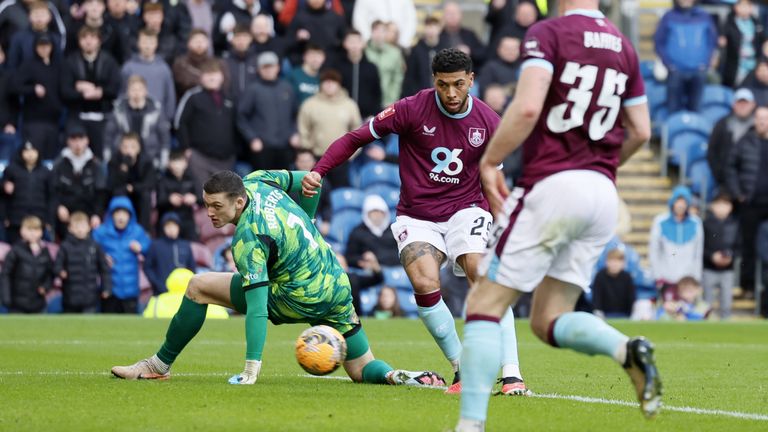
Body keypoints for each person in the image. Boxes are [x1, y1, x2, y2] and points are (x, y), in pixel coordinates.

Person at [453, 2, 659, 430]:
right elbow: (641, 130)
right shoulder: (625, 45)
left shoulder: (549, 33)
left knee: (483, 305)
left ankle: (469, 426)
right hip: (602, 193)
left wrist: (489, 162)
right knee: (548, 320)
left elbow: (527, 109)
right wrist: (599, 169)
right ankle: (627, 350)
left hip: (552, 183)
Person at [302, 48, 529, 396]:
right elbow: (356, 137)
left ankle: (512, 375)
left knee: (480, 273)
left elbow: (492, 182)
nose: (451, 94)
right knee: (423, 282)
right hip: (417, 214)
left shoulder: (488, 122)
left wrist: (504, 227)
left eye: (457, 84)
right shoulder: (410, 109)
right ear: (433, 82)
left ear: (471, 80)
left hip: (466, 208)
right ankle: (461, 369)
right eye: (442, 85)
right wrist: (319, 171)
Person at [111, 169, 446, 387]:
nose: (209, 213)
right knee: (361, 368)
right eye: (206, 205)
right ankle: (400, 376)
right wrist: (307, 221)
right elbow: (312, 181)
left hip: (295, 296)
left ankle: (157, 365)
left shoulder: (247, 238)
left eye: (215, 206)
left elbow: (256, 308)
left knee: (199, 287)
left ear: (238, 201)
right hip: (334, 282)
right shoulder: (259, 179)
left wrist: (251, 368)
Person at [725, 105, 768, 300]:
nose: (761, 122)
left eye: (765, 118)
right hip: (750, 203)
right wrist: (737, 193)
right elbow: (730, 167)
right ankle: (748, 285)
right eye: (759, 118)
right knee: (748, 245)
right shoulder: (745, 141)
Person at [61, 25, 121, 160]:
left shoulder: (109, 61)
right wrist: (82, 93)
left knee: (101, 157)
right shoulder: (71, 61)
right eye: (84, 38)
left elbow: (114, 89)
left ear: (99, 41)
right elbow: (65, 91)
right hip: (77, 117)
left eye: (93, 38)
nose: (88, 41)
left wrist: (98, 91)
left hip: (102, 117)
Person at [174, 60, 239, 187]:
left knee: (223, 199)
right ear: (201, 77)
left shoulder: (230, 97)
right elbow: (180, 123)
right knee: (204, 197)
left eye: (214, 73)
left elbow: (237, 124)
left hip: (226, 159)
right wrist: (186, 148)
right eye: (207, 74)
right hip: (199, 157)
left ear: (221, 76)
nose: (211, 77)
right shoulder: (193, 96)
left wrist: (234, 149)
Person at [236, 50, 299, 171]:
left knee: (283, 184)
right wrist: (252, 138)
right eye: (265, 67)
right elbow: (241, 117)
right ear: (259, 69)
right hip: (262, 148)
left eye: (271, 66)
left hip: (285, 147)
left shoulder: (287, 88)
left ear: (278, 67)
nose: (268, 70)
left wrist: (294, 133)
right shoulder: (252, 89)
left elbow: (295, 114)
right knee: (262, 185)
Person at [297, 68, 360, 188]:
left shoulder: (349, 105)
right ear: (321, 85)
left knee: (340, 192)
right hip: (317, 158)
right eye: (326, 82)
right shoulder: (310, 104)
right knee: (317, 192)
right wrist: (308, 150)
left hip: (341, 159)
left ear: (339, 85)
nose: (329, 85)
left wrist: (352, 154)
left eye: (333, 82)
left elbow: (358, 130)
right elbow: (303, 129)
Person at [654, 0, 718, 113]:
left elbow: (712, 41)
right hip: (676, 72)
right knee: (673, 110)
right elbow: (659, 42)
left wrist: (706, 63)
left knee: (696, 110)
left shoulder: (704, 16)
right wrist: (669, 64)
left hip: (699, 71)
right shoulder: (669, 17)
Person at [93, 195, 151, 313]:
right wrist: (102, 257)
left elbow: (149, 248)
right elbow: (89, 249)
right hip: (109, 291)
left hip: (131, 291)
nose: (121, 217)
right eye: (117, 213)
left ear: (130, 215)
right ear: (111, 215)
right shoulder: (101, 232)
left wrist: (141, 248)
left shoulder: (137, 231)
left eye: (124, 213)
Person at [9, 33, 62, 161]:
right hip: (33, 121)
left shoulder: (58, 66)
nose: (44, 49)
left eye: (47, 46)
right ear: (35, 47)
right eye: (41, 46)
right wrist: (32, 89)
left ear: (52, 47)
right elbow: (13, 86)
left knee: (51, 160)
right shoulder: (29, 65)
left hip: (54, 122)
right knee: (33, 157)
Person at [648, 185, 704, 301]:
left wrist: (696, 277)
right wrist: (657, 275)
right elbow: (654, 250)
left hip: (687, 278)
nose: (680, 205)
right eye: (678, 201)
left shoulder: (696, 222)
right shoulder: (660, 221)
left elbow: (698, 253)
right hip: (666, 277)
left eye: (684, 202)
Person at [103, 74, 172, 169]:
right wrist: (108, 158)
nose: (136, 93)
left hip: (149, 159)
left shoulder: (156, 111)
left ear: (145, 91)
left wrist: (163, 160)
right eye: (133, 89)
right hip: (122, 159)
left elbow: (164, 138)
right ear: (127, 92)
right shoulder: (118, 111)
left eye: (139, 89)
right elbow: (109, 135)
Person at [51, 122, 106, 239]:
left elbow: (101, 193)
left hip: (89, 214)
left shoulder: (96, 164)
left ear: (87, 140)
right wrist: (58, 207)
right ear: (68, 141)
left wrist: (97, 214)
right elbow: (53, 190)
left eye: (81, 139)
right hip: (65, 214)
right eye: (73, 139)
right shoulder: (59, 164)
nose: (77, 143)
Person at [54, 211, 112, 313]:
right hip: (70, 296)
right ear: (70, 229)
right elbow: (57, 265)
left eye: (82, 226)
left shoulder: (95, 246)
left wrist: (106, 288)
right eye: (76, 226)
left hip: (90, 298)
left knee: (89, 325)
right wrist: (60, 272)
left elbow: (104, 269)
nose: (80, 229)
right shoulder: (65, 246)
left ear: (89, 227)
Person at [2, 141, 53, 244]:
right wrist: (4, 216)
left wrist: (49, 220)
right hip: (15, 220)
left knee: (36, 252)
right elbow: (3, 197)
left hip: (39, 219)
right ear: (21, 153)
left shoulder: (46, 172)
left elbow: (51, 196)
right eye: (26, 151)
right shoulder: (11, 169)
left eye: (33, 151)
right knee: (15, 251)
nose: (30, 154)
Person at [120, 28, 176, 122]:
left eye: (151, 43)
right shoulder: (128, 67)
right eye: (144, 42)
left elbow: (170, 96)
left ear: (156, 44)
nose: (147, 46)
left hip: (158, 121)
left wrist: (167, 119)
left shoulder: (164, 68)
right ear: (138, 43)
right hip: (132, 120)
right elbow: (122, 94)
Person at [0, 215, 53, 313]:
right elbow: (5, 275)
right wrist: (6, 298)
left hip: (38, 304)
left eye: (36, 229)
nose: (33, 233)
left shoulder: (45, 252)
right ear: (22, 231)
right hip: (17, 305)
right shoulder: (15, 251)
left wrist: (46, 287)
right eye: (29, 229)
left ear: (41, 232)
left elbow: (50, 273)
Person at [706, 87, 755, 189]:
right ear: (734, 104)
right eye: (739, 103)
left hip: (751, 183)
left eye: (745, 103)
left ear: (753, 105)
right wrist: (719, 175)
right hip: (724, 182)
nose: (742, 106)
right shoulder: (722, 124)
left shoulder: (758, 126)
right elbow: (712, 151)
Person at [106, 132, 156, 231]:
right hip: (121, 192)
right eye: (125, 147)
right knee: (118, 194)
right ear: (120, 148)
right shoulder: (114, 161)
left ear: (139, 148)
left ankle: (143, 230)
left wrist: (133, 188)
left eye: (133, 147)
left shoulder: (146, 162)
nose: (129, 150)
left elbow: (150, 183)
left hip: (138, 193)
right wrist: (123, 169)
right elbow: (111, 184)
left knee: (145, 196)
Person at [702, 192, 738, 319]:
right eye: (719, 204)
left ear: (730, 207)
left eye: (725, 204)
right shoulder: (705, 223)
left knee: (726, 303)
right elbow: (701, 246)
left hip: (727, 270)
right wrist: (712, 256)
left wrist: (730, 256)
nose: (722, 207)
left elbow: (739, 246)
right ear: (712, 206)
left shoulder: (735, 224)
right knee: (707, 304)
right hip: (709, 268)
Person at [144, 212, 196, 295]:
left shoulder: (185, 245)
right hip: (162, 293)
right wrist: (159, 285)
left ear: (179, 227)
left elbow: (192, 268)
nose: (171, 229)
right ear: (163, 228)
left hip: (183, 292)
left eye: (174, 225)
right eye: (168, 226)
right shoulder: (155, 245)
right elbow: (148, 268)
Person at [156, 149, 201, 241]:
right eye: (174, 161)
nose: (177, 165)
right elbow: (158, 201)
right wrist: (169, 200)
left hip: (187, 219)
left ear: (185, 163)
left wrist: (194, 199)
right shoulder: (162, 180)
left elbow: (203, 198)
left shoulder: (191, 178)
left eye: (180, 161)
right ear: (169, 163)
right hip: (168, 219)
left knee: (193, 242)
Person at [345, 194, 399, 269]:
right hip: (370, 275)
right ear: (367, 213)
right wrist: (363, 260)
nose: (378, 215)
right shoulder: (357, 232)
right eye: (374, 211)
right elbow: (349, 257)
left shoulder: (394, 230)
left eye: (381, 212)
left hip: (396, 270)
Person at [720, 0, 764, 88]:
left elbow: (763, 41)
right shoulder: (730, 22)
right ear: (736, 7)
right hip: (736, 66)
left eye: (747, 6)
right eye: (741, 5)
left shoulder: (756, 22)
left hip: (753, 65)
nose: (744, 8)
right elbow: (722, 40)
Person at [401, 15, 447, 98]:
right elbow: (410, 77)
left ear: (439, 29)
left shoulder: (445, 50)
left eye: (433, 26)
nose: (431, 30)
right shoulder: (416, 50)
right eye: (428, 26)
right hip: (421, 96)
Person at [591, 248, 636, 318]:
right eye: (611, 261)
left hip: (624, 315)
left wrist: (630, 314)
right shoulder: (600, 276)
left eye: (618, 261)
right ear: (606, 262)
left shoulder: (627, 277)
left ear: (623, 263)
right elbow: (596, 297)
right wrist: (598, 311)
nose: (614, 264)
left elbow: (631, 297)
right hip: (604, 315)